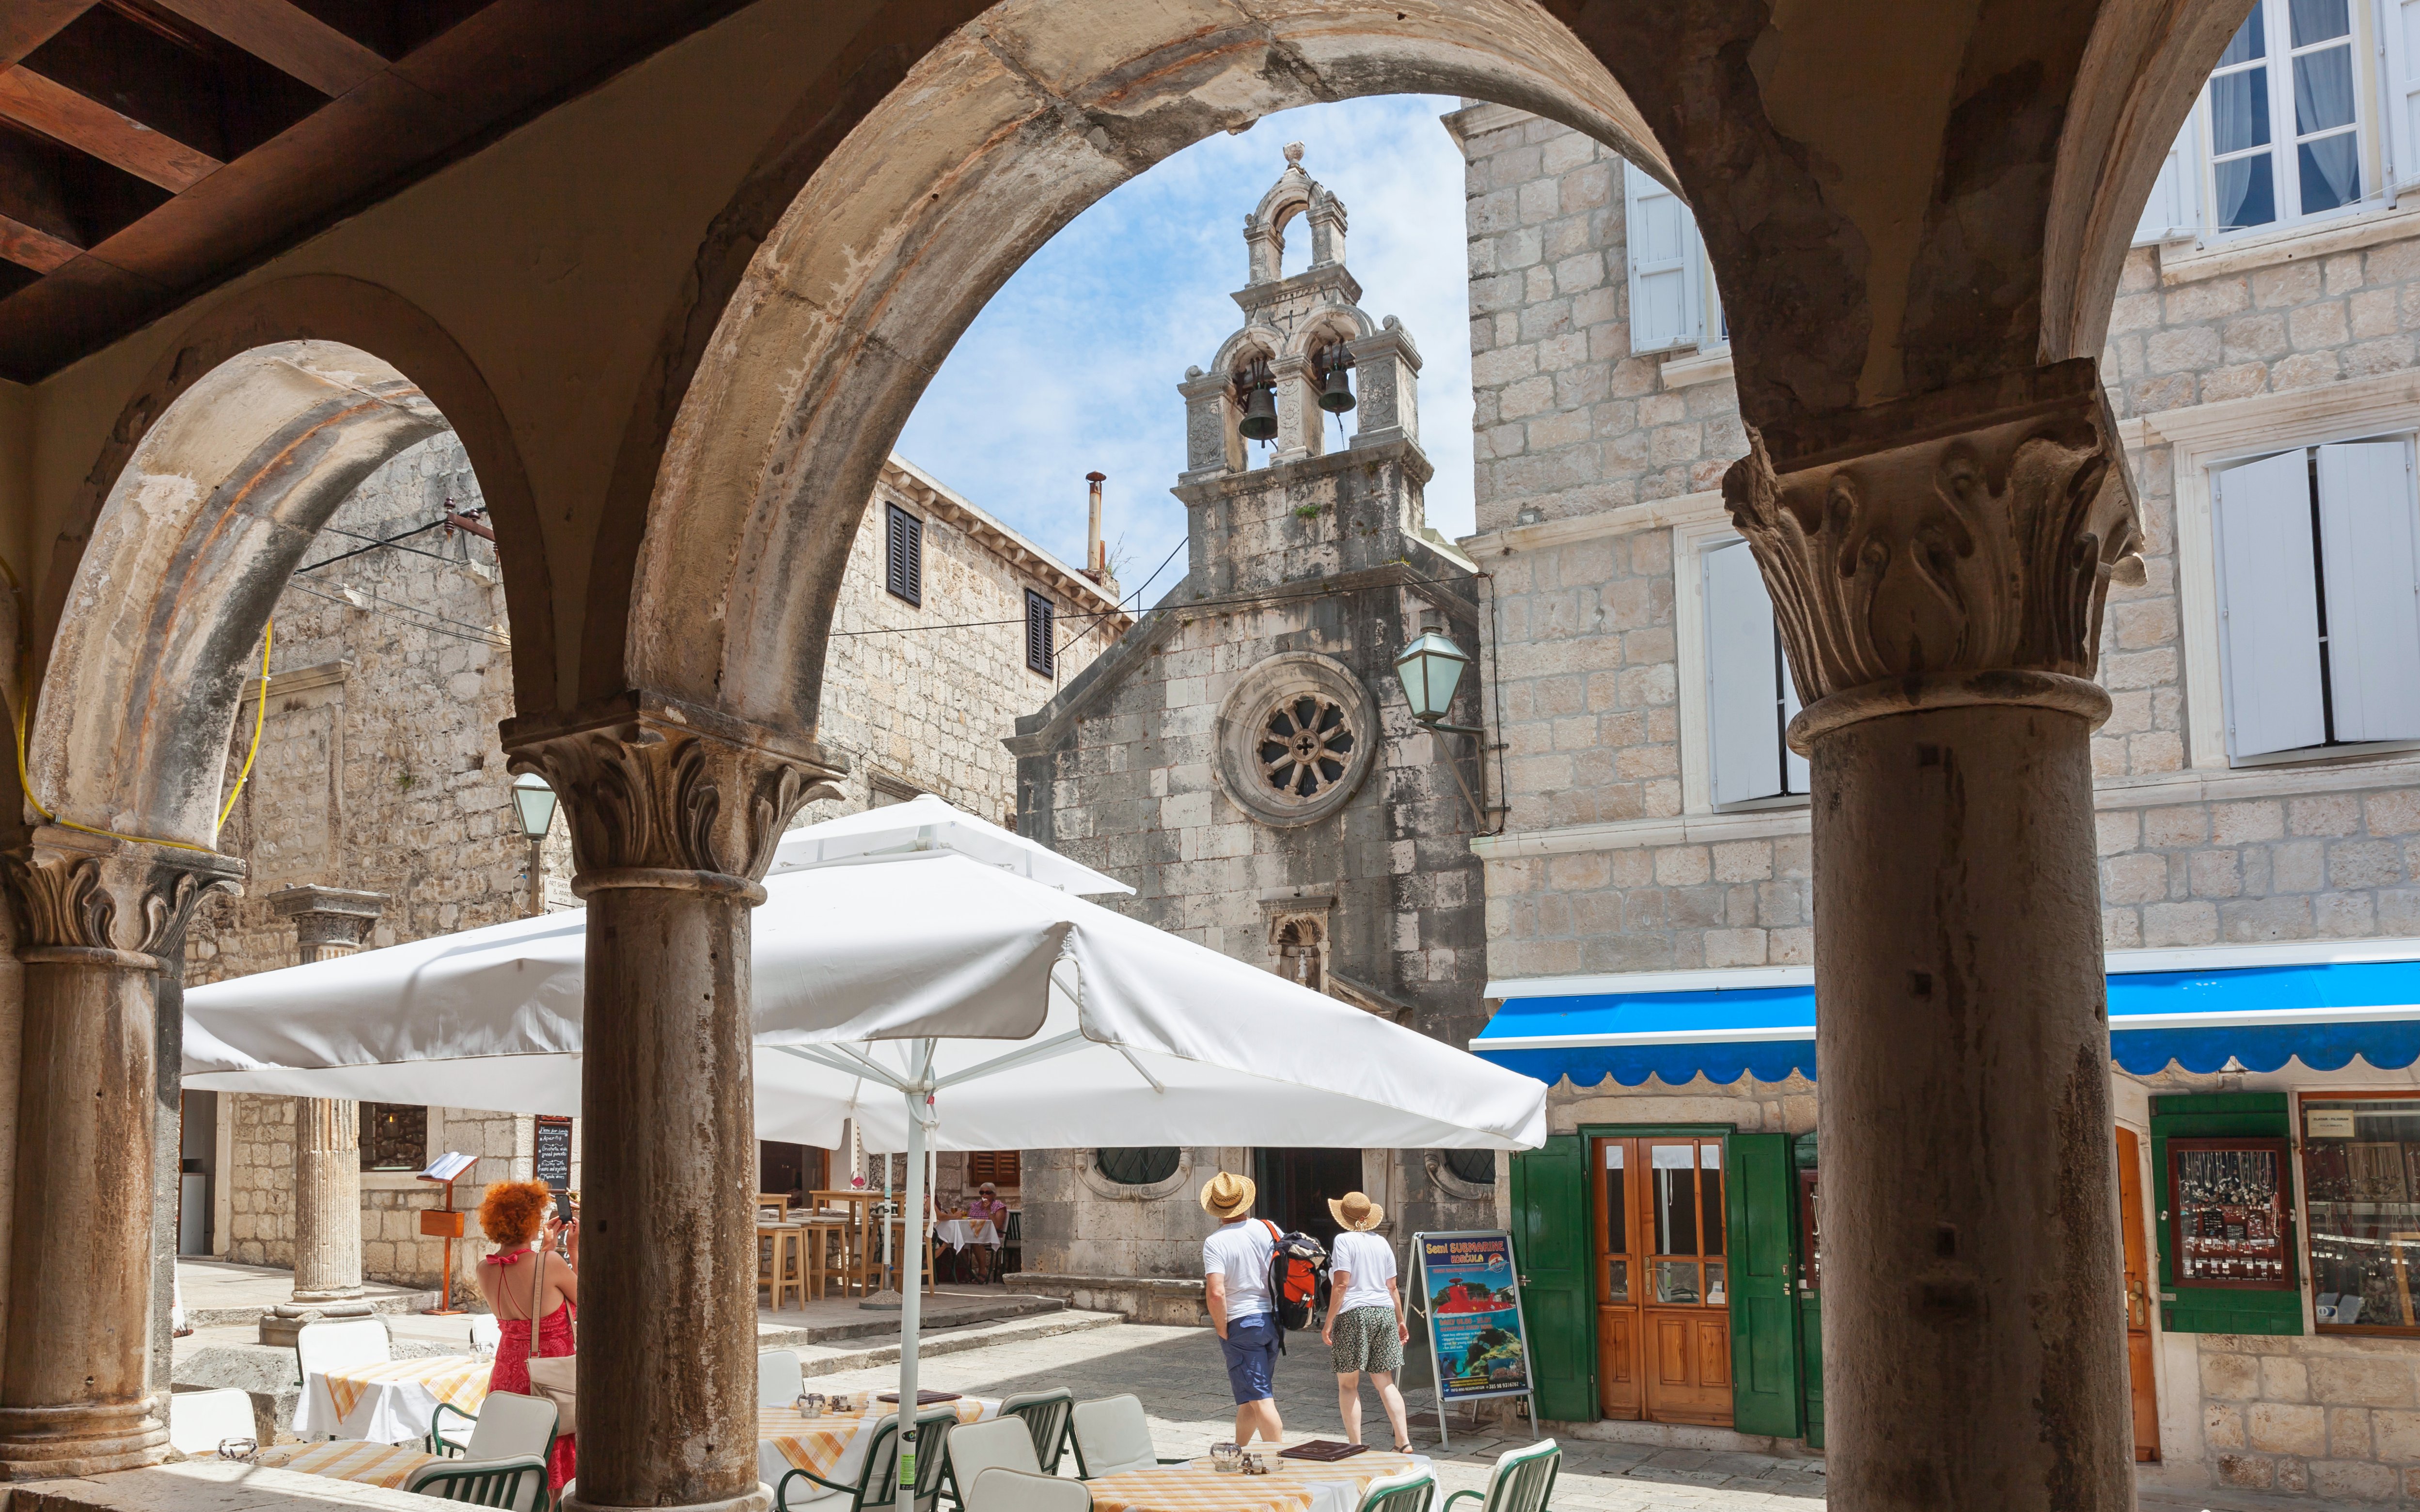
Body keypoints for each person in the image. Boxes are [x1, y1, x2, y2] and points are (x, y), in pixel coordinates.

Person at [476, 1180, 578, 1491]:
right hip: (549, 1377)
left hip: (508, 1374)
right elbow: (591, 1300)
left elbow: (528, 1289)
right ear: (530, 1222)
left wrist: (546, 1250)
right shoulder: (550, 1263)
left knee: (518, 1455)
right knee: (553, 1462)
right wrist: (572, 1248)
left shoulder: (485, 1268)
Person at [1320, 1191, 1411, 1452]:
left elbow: (1341, 1284)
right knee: (1386, 1381)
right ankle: (1403, 1441)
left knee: (1348, 1384)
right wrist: (1401, 1321)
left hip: (1354, 1313)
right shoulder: (1382, 1243)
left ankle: (1355, 1445)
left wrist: (1328, 1323)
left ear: (1343, 1218)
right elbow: (1392, 1287)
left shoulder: (1344, 1241)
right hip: (1383, 1312)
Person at [1200, 1170, 1282, 1446]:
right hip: (1271, 1321)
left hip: (1242, 1324)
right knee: (1251, 1395)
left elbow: (1216, 1292)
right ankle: (1239, 1450)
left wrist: (1222, 1328)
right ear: (1245, 1202)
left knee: (1261, 1398)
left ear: (1216, 1209)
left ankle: (1279, 1460)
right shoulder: (1269, 1229)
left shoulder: (1216, 1242)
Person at [967, 1182, 1009, 1283]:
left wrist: (989, 1210)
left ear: (994, 1194)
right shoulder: (975, 1205)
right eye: (982, 1192)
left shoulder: (999, 1206)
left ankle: (983, 1272)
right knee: (957, 1241)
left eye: (988, 1193)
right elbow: (968, 1220)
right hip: (974, 1233)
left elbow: (998, 1225)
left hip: (993, 1235)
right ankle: (967, 1272)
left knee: (975, 1240)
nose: (984, 1195)